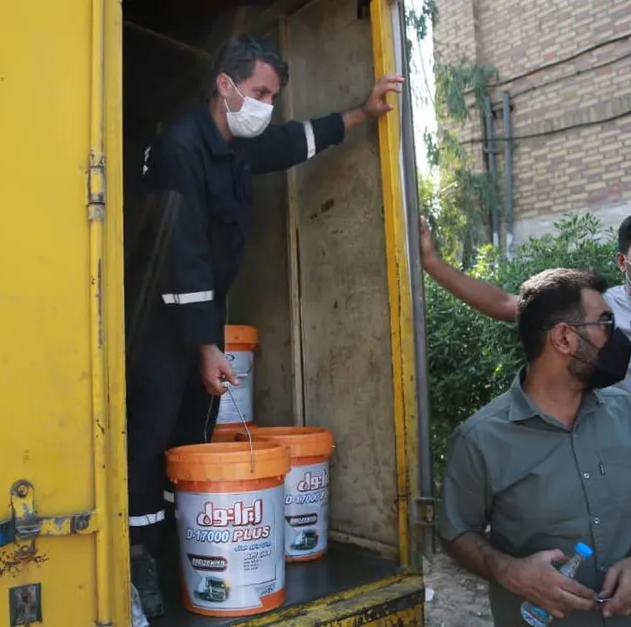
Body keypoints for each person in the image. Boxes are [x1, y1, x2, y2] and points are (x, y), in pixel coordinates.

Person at [122, 34, 404, 616]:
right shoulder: (180, 148)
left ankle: (183, 546)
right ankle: (137, 557)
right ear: (224, 85)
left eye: (272, 96)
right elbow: (183, 254)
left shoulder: (236, 143)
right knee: (150, 436)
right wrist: (207, 347)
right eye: (260, 92)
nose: (267, 106)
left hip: (200, 314)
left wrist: (362, 112)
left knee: (190, 439)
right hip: (157, 319)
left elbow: (293, 141)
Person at [420, 209, 631, 625]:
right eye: (607, 324)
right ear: (564, 337)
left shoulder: (628, 412)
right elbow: (458, 532)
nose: (618, 338)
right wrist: (509, 571)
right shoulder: (482, 439)